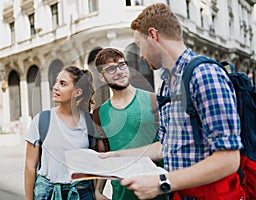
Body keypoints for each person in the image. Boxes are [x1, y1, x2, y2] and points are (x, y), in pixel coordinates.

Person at [100, 3, 244, 199]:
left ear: (153, 35)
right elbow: (165, 146)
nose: (140, 55)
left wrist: (163, 183)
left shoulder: (204, 75)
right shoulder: (167, 85)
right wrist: (118, 156)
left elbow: (228, 159)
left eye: (140, 45)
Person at [92, 48, 162, 200]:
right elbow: (104, 155)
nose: (119, 71)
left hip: (158, 193)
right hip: (122, 195)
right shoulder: (99, 114)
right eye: (111, 69)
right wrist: (98, 191)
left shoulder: (154, 101)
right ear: (102, 77)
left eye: (122, 65)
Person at [24, 65, 95, 200]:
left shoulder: (89, 123)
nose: (55, 87)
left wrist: (97, 192)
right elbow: (29, 166)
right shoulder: (42, 120)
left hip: (81, 193)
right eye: (56, 82)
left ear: (77, 92)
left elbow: (96, 164)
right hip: (47, 194)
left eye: (62, 83)